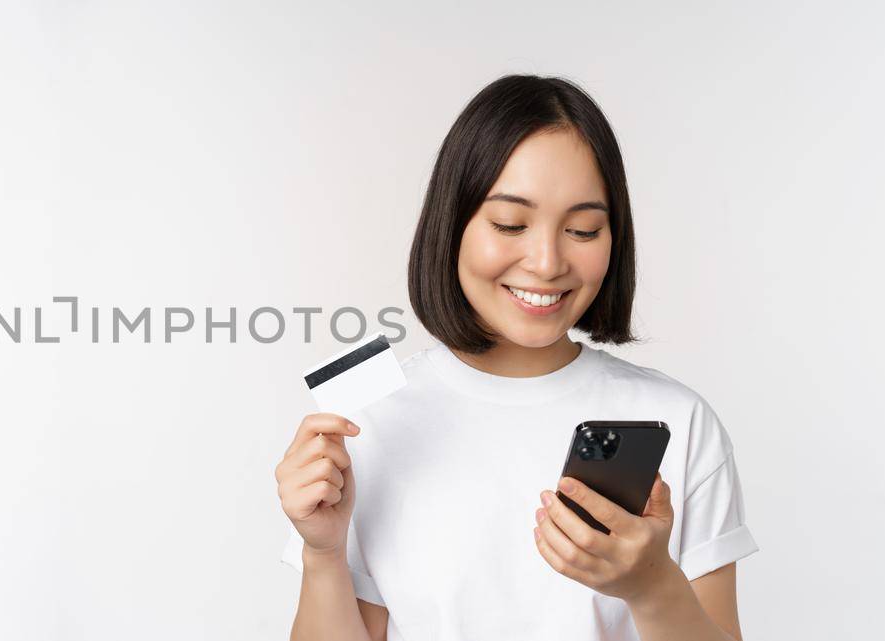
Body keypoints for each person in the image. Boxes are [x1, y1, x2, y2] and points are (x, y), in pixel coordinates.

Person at [275, 75, 758, 641]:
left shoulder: (678, 422)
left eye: (583, 229)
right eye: (510, 224)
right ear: (452, 224)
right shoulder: (371, 419)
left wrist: (652, 586)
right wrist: (323, 552)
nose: (548, 262)